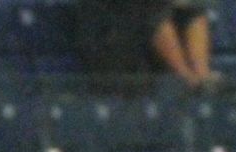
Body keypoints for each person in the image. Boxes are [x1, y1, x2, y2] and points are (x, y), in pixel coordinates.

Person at [76, 1, 223, 95]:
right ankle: (189, 80)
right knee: (152, 10)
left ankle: (203, 77)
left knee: (193, 9)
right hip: (109, 31)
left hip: (144, 28)